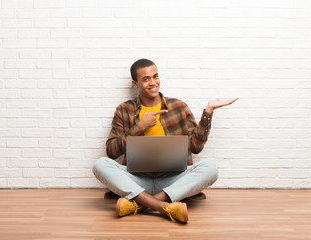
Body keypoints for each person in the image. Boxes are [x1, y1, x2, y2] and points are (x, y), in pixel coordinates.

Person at [93, 59, 238, 223]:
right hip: (137, 179)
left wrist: (208, 112)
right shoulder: (124, 110)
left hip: (171, 179)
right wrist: (139, 127)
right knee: (100, 165)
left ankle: (139, 204)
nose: (153, 82)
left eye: (155, 76)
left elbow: (196, 147)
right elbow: (111, 151)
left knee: (210, 168)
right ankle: (165, 207)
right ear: (135, 83)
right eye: (146, 79)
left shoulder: (178, 106)